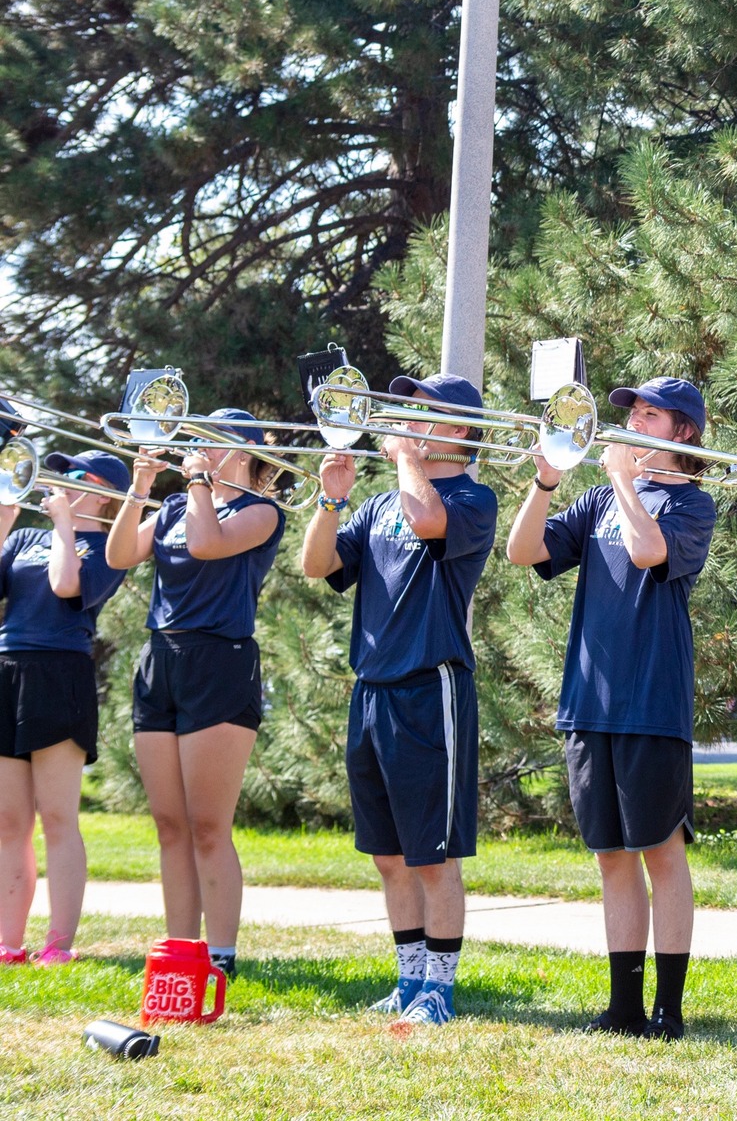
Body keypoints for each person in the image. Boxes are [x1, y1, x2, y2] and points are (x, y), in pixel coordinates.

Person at [506, 378, 717, 1040]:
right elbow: (522, 551)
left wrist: (627, 480)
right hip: (588, 700)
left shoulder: (694, 504)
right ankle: (624, 1005)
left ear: (682, 431)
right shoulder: (597, 498)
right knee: (611, 856)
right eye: (630, 412)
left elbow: (648, 551)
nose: (630, 421)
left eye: (647, 413)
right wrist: (543, 483)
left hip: (651, 702)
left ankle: (669, 1008)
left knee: (660, 850)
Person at [299, 374, 498, 1028]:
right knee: (387, 854)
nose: (410, 419)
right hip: (372, 689)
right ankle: (408, 975)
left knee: (433, 856)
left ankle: (440, 987)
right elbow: (317, 565)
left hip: (428, 687)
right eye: (409, 409)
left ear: (461, 430)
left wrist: (407, 457)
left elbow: (429, 519)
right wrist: (330, 502)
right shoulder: (381, 503)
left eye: (426, 412)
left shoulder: (473, 496)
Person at [105, 411, 285, 979]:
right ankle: (179, 951)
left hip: (219, 660)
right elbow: (117, 557)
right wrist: (139, 488)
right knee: (169, 823)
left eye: (215, 442)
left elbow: (207, 546)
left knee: (209, 825)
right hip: (161, 657)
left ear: (248, 452)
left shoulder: (261, 511)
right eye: (200, 440)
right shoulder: (178, 506)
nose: (200, 448)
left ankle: (223, 955)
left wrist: (199, 481)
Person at [0, 452, 128, 966]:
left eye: (80, 477)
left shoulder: (108, 548)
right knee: (9, 822)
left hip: (60, 673)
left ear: (104, 496)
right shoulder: (28, 537)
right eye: (64, 474)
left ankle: (59, 943)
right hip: (9, 666)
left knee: (57, 816)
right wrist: (6, 520)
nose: (65, 482)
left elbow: (64, 584)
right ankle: (9, 941)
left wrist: (64, 524)